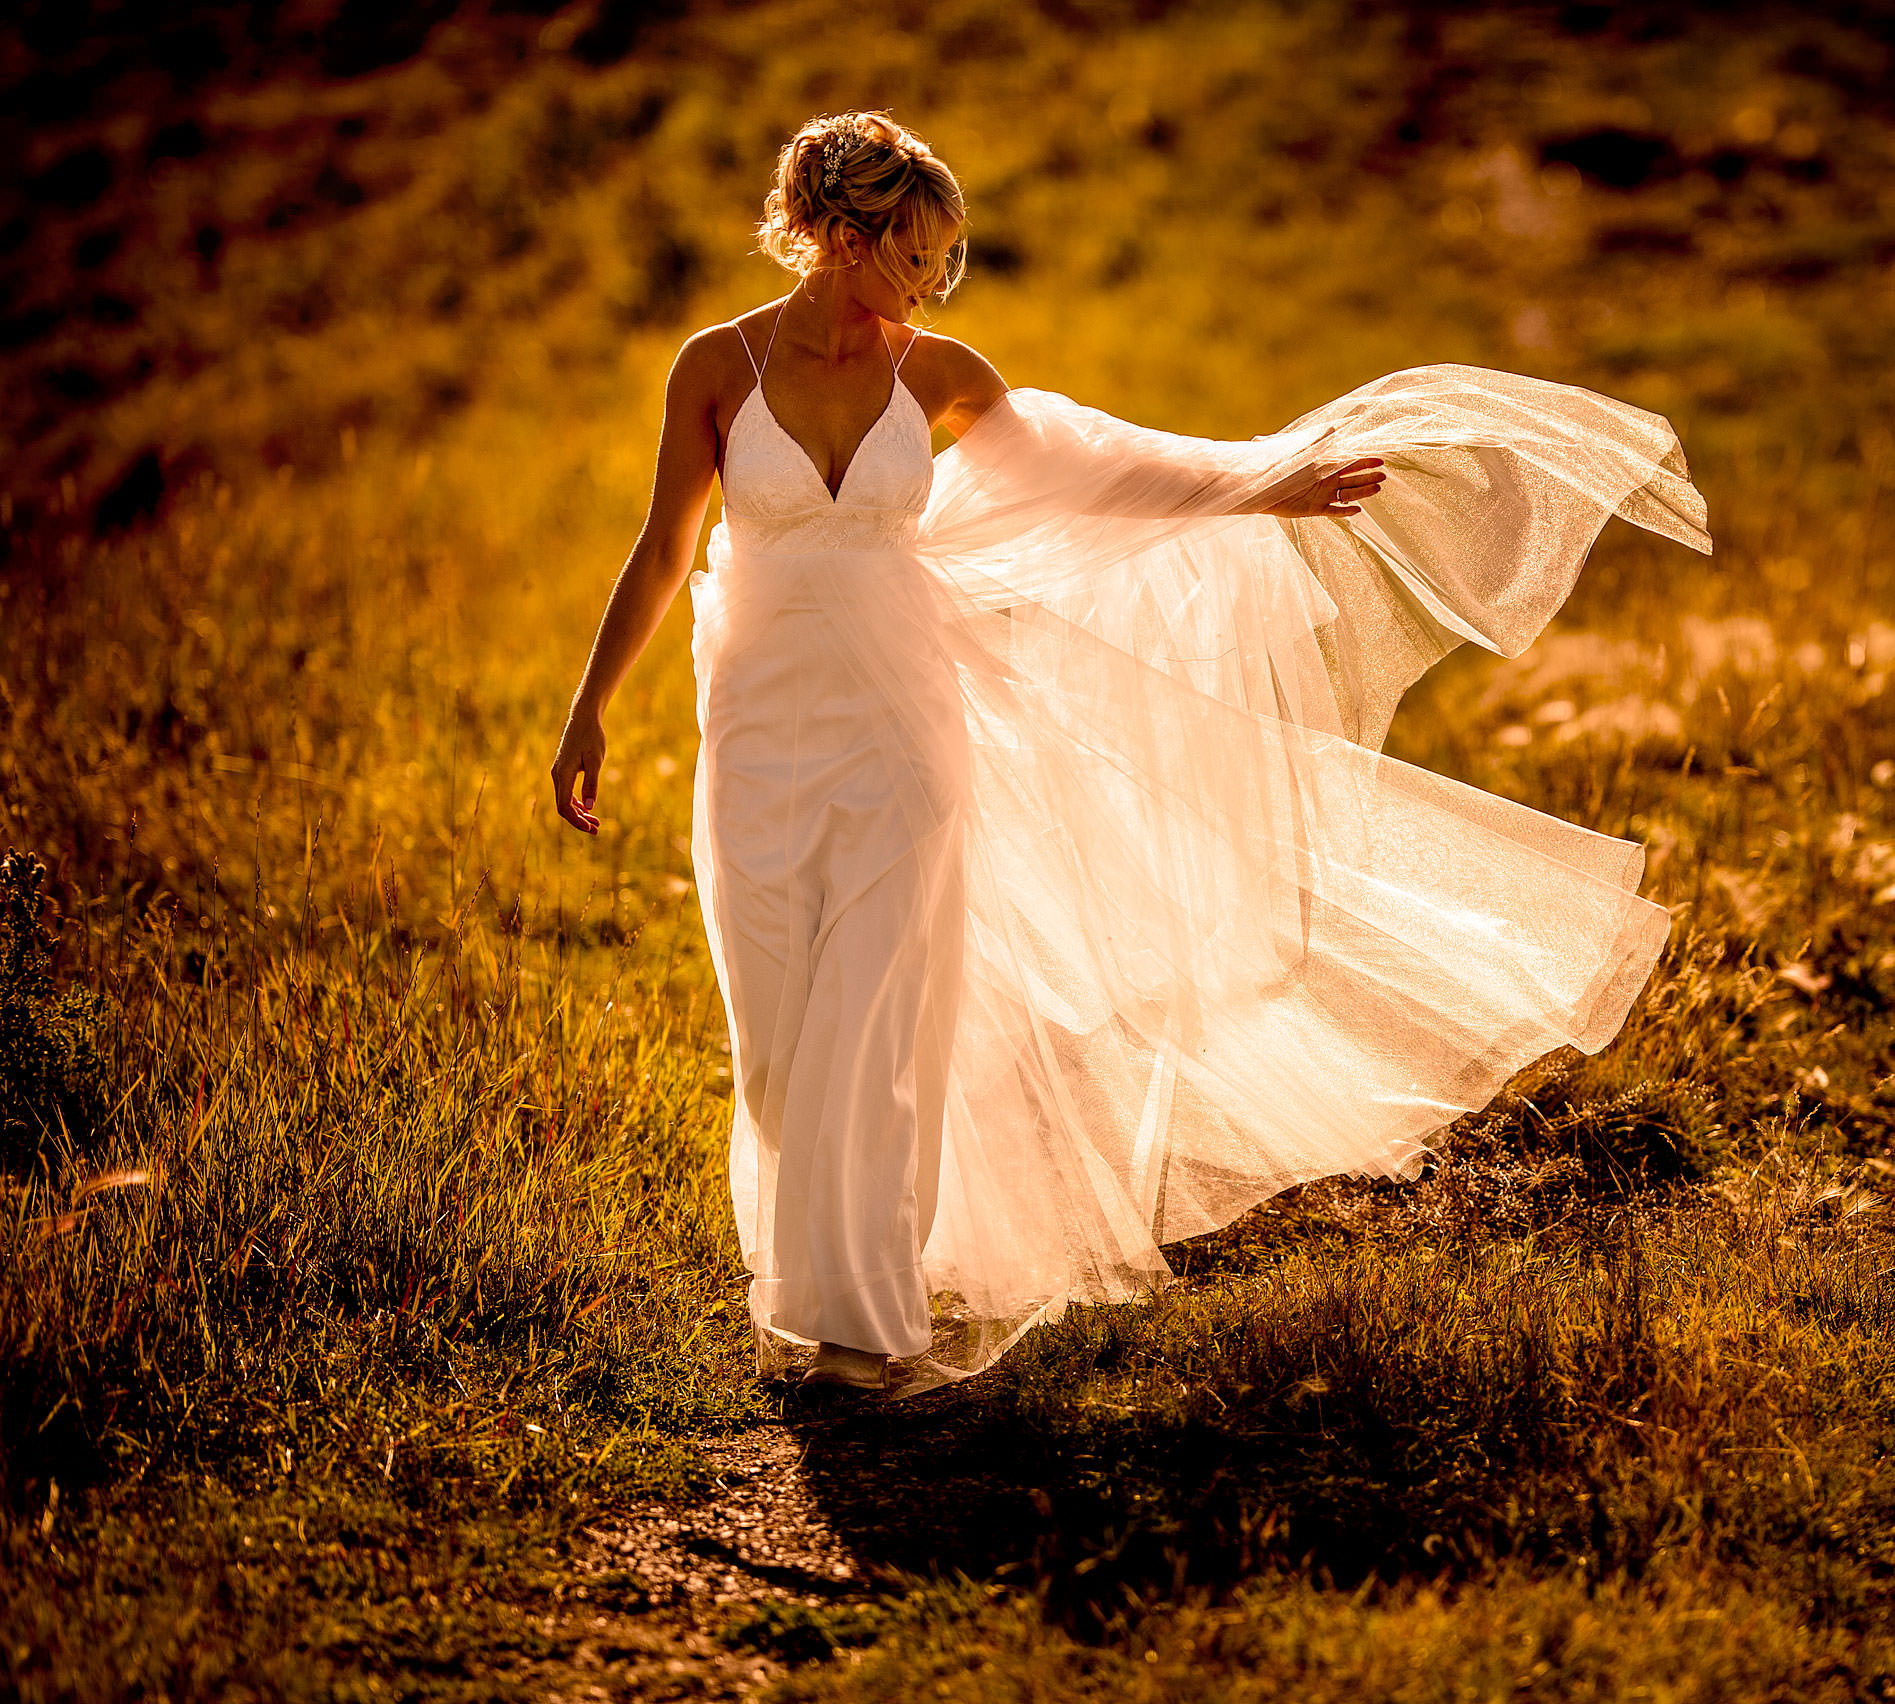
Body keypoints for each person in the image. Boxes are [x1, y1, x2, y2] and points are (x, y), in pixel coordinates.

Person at [551, 111, 1711, 1394]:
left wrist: (1260, 485)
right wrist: (590, 706)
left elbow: (1087, 475)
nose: (935, 282)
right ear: (840, 235)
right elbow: (664, 548)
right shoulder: (715, 367)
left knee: (881, 1023)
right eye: (917, 254)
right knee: (775, 1036)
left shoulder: (936, 373)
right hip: (759, 732)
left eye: (945, 259)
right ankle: (810, 1286)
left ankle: (864, 1328)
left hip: (903, 730)